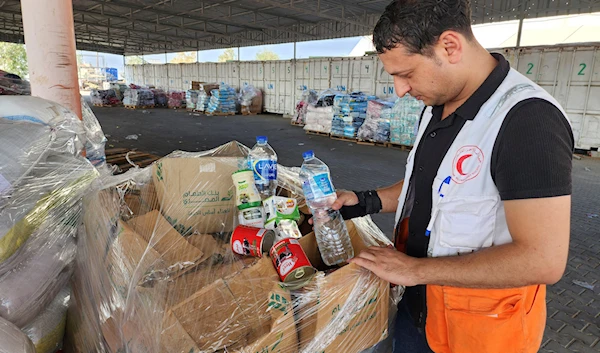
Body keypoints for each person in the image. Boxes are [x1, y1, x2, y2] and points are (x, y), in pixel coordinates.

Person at [334, 1, 574, 352]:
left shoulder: (527, 121)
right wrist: (363, 201)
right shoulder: (435, 108)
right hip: (417, 313)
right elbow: (435, 189)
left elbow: (543, 259)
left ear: (450, 46)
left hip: (478, 332)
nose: (400, 90)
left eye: (406, 74)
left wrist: (415, 270)